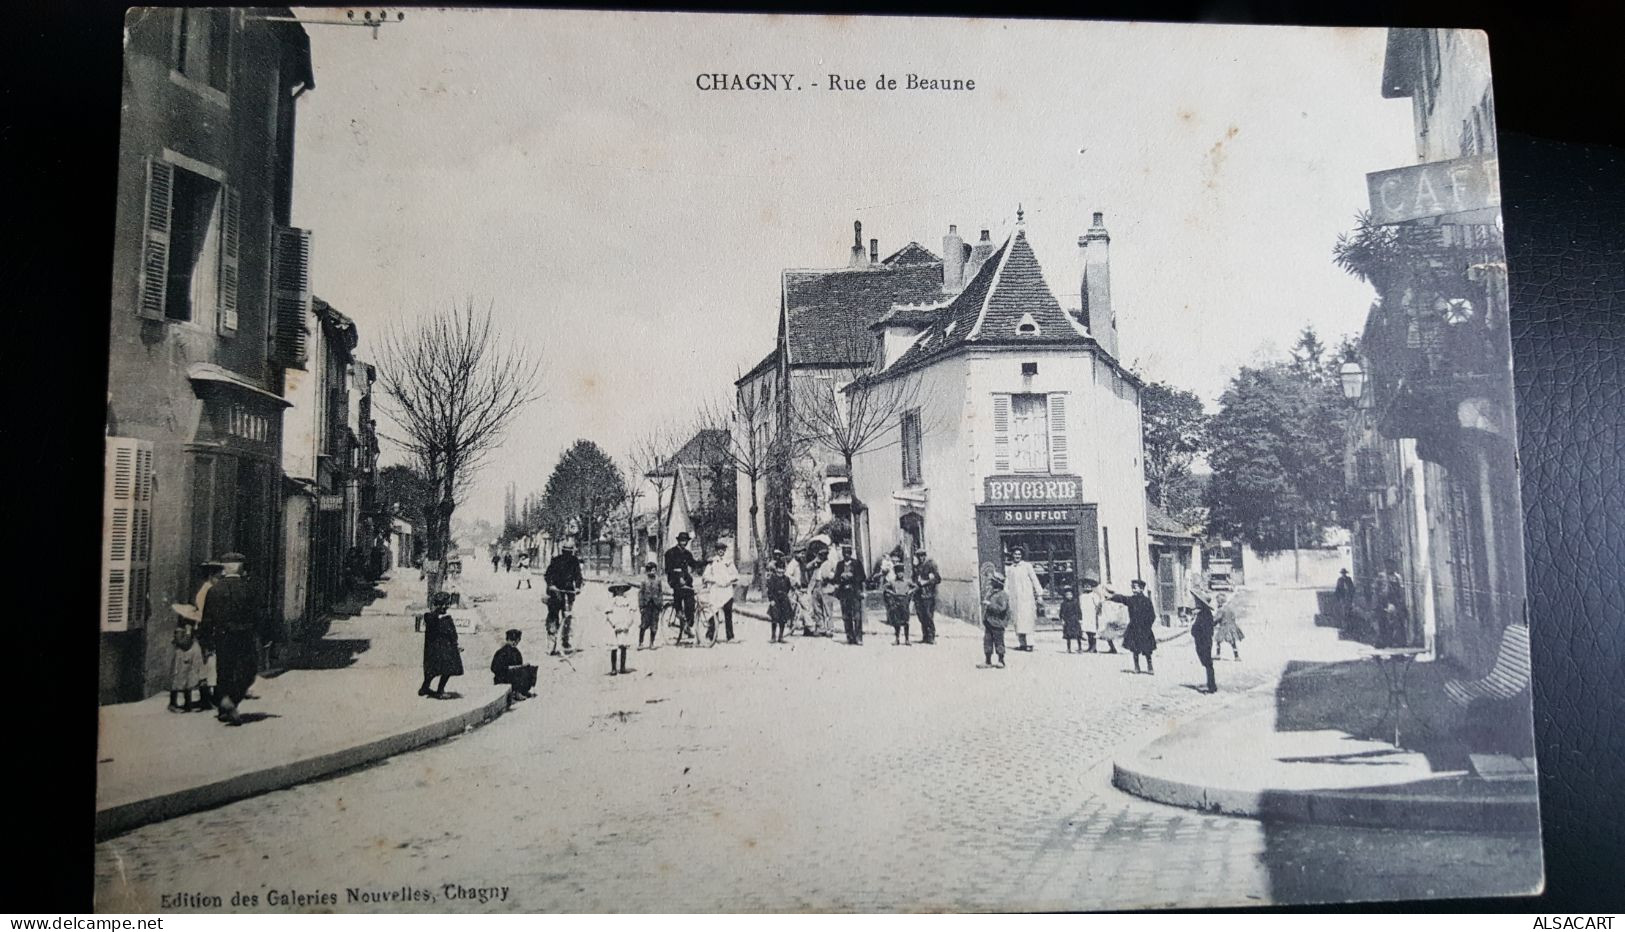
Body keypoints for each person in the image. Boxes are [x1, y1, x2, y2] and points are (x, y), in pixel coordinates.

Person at [197, 553, 260, 725]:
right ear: (241, 568)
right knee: (247, 671)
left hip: (222, 637)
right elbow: (257, 616)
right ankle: (230, 701)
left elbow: (207, 619)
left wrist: (205, 641)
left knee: (224, 671)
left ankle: (223, 706)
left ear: (224, 569)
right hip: (244, 636)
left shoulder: (214, 590)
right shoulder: (249, 589)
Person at [419, 590, 463, 699]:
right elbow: (450, 633)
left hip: (441, 649)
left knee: (438, 670)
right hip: (440, 649)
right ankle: (436, 690)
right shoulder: (436, 618)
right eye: (443, 604)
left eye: (446, 604)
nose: (445, 606)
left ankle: (430, 688)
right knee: (440, 670)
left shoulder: (439, 617)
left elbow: (452, 633)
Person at [1109, 579, 1158, 674]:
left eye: (1135, 587)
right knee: (1135, 649)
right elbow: (1122, 599)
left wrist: (1148, 625)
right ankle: (1137, 666)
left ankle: (1150, 666)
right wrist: (1112, 597)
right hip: (1134, 628)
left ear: (1141, 589)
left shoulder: (1147, 601)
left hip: (1145, 629)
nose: (1133, 589)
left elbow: (1152, 615)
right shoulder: (1131, 600)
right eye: (1132, 587)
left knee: (1147, 649)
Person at [544, 541, 584, 654]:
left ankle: (565, 639)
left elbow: (578, 576)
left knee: (567, 617)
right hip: (556, 592)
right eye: (566, 551)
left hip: (569, 592)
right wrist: (551, 585)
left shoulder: (574, 561)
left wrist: (578, 587)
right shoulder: (556, 560)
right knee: (553, 616)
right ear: (562, 551)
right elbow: (548, 575)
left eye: (569, 552)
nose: (568, 554)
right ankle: (551, 643)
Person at [1004, 547, 1043, 652]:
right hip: (1014, 599)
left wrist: (1039, 594)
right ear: (1012, 555)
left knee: (1027, 620)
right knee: (1017, 620)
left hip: (1026, 598)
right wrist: (1006, 596)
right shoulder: (1010, 568)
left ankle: (1030, 643)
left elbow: (1034, 579)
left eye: (1019, 554)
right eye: (1015, 554)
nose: (1017, 556)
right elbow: (1007, 584)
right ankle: (1022, 643)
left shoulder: (1027, 566)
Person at [700, 542, 740, 642]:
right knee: (713, 613)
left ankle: (730, 636)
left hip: (726, 590)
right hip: (716, 590)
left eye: (722, 549)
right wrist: (713, 579)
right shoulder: (712, 562)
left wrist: (729, 580)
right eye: (719, 549)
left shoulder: (729, 562)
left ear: (725, 551)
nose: (721, 551)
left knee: (728, 614)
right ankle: (711, 635)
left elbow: (735, 575)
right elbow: (705, 576)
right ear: (716, 551)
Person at [665, 532, 701, 644]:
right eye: (682, 540)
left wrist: (705, 563)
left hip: (686, 580)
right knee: (678, 593)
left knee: (691, 602)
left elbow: (693, 564)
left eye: (685, 541)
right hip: (675, 580)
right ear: (678, 541)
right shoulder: (670, 553)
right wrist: (677, 577)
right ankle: (678, 611)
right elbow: (668, 569)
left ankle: (688, 625)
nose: (683, 542)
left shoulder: (687, 553)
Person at [168, 607, 205, 713]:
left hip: (191, 657)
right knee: (179, 679)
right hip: (183, 657)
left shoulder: (192, 628)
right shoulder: (181, 630)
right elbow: (183, 643)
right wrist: (188, 633)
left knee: (190, 679)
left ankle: (188, 704)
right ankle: (173, 703)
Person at [831, 543, 866, 645]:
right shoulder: (840, 564)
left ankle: (859, 637)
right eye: (844, 553)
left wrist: (852, 576)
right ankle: (850, 637)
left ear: (851, 554)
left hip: (855, 592)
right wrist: (841, 577)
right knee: (846, 616)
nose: (846, 555)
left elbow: (862, 577)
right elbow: (836, 579)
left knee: (857, 616)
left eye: (848, 553)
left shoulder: (857, 563)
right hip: (844, 594)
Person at [490, 629, 537, 702]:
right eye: (512, 640)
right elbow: (494, 668)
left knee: (529, 669)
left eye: (516, 641)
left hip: (512, 674)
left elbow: (519, 664)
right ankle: (516, 692)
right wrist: (509, 668)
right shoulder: (501, 652)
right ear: (508, 640)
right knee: (516, 673)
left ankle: (523, 691)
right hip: (502, 677)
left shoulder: (516, 652)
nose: (514, 643)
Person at [605, 578, 636, 675]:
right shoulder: (612, 601)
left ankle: (622, 667)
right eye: (618, 589)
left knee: (623, 646)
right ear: (615, 590)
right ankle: (614, 668)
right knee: (614, 646)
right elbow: (609, 614)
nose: (620, 591)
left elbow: (631, 613)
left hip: (624, 624)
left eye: (622, 589)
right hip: (614, 626)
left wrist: (628, 624)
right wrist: (614, 624)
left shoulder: (627, 601)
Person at [911, 549, 942, 645]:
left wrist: (926, 582)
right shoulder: (917, 567)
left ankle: (931, 636)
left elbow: (937, 579)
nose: (920, 558)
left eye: (922, 555)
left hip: (928, 594)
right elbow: (914, 579)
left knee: (928, 616)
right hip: (919, 595)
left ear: (925, 555)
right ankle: (925, 636)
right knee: (921, 615)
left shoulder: (931, 565)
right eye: (918, 556)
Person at [1083, 577, 1120, 654]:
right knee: (1088, 631)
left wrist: (1098, 611)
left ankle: (1096, 647)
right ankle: (1090, 646)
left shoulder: (1094, 595)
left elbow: (1098, 604)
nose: (1087, 587)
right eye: (1085, 586)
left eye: (1088, 586)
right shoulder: (1083, 596)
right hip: (1087, 615)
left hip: (1094, 616)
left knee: (1102, 632)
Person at [1191, 590, 1217, 693]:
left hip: (1204, 641)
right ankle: (1211, 684)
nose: (1196, 603)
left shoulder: (1204, 615)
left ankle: (1211, 686)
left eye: (1197, 601)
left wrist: (1194, 631)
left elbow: (1201, 629)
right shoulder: (1204, 613)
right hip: (1204, 640)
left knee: (1208, 663)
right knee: (1207, 663)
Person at [981, 575, 1009, 668]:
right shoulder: (991, 593)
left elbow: (1002, 608)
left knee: (999, 642)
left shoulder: (1002, 594)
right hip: (989, 622)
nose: (991, 583)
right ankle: (987, 660)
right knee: (987, 641)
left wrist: (990, 605)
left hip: (998, 623)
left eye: (993, 581)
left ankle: (1001, 660)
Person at [882, 564, 914, 645]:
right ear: (896, 573)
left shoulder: (907, 581)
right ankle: (897, 639)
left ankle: (907, 639)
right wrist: (891, 592)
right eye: (898, 572)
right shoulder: (892, 582)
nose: (900, 574)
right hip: (896, 603)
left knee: (906, 621)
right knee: (897, 622)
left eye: (901, 572)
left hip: (904, 602)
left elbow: (916, 586)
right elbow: (884, 587)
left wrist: (910, 592)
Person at [766, 559, 794, 643]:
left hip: (784, 601)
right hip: (775, 600)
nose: (781, 570)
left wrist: (785, 595)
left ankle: (780, 637)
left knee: (783, 619)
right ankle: (773, 636)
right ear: (776, 569)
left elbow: (788, 588)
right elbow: (770, 590)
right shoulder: (773, 578)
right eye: (779, 568)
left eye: (782, 568)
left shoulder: (786, 579)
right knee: (774, 618)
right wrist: (771, 600)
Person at [637, 561, 663, 649]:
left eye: (654, 570)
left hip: (655, 605)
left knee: (654, 625)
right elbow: (640, 594)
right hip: (646, 605)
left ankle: (652, 643)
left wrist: (660, 604)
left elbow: (660, 592)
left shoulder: (658, 580)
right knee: (644, 624)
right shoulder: (644, 581)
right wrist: (641, 606)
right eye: (651, 570)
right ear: (648, 571)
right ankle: (640, 643)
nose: (653, 572)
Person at [1213, 592, 1245, 660]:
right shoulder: (1230, 608)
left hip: (1224, 627)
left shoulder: (1221, 610)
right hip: (1232, 626)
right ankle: (1236, 656)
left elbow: (1217, 618)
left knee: (1218, 640)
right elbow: (1233, 617)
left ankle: (1218, 654)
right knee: (1233, 642)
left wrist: (1212, 623)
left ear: (1219, 602)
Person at [1059, 585, 1083, 653]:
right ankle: (1068, 648)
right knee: (1068, 635)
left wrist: (1080, 619)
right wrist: (1062, 619)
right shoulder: (1063, 603)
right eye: (1067, 595)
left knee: (1078, 635)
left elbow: (1079, 611)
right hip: (1067, 620)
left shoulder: (1075, 602)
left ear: (1072, 595)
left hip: (1075, 620)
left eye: (1070, 594)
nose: (1069, 596)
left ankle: (1080, 648)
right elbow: (1061, 612)